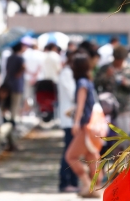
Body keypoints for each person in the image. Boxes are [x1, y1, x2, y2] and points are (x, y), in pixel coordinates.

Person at [65, 52, 101, 198]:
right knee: (91, 156)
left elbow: (80, 106)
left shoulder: (81, 83)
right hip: (94, 125)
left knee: (71, 157)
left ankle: (86, 184)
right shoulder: (89, 81)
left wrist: (75, 123)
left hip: (85, 125)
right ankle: (96, 187)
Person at [94, 45, 130, 138]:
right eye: (117, 59)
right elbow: (96, 83)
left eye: (120, 59)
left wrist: (126, 83)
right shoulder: (105, 68)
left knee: (126, 137)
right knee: (110, 138)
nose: (118, 62)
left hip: (125, 108)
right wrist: (106, 76)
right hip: (108, 109)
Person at [57, 51, 78, 193]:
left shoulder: (69, 73)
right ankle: (65, 182)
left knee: (73, 152)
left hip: (72, 118)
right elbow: (72, 95)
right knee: (69, 152)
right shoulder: (67, 73)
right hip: (69, 119)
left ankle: (73, 181)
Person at [3, 42, 26, 125]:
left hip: (9, 83)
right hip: (17, 84)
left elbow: (7, 69)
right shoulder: (20, 58)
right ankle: (13, 120)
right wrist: (19, 72)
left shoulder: (9, 58)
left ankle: (7, 118)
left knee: (8, 103)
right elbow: (23, 67)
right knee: (15, 104)